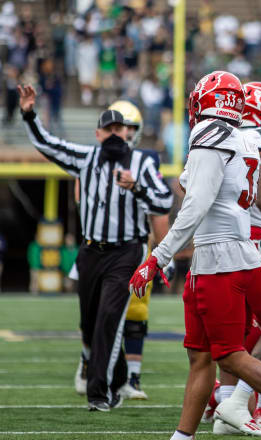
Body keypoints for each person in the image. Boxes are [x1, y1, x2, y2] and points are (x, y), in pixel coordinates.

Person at [128, 71, 261, 440]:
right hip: (230, 252)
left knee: (229, 354)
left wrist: (157, 256)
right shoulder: (243, 138)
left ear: (206, 101)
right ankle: (183, 436)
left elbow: (196, 204)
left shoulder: (210, 135)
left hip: (219, 256)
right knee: (201, 355)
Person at [19, 84, 173, 411]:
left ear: (129, 133)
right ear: (98, 133)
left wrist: (138, 186)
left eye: (121, 128)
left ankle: (99, 393)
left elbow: (164, 200)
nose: (116, 134)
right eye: (109, 128)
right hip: (91, 252)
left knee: (108, 319)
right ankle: (115, 378)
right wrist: (30, 114)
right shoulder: (85, 158)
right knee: (89, 323)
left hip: (126, 252)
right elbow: (48, 144)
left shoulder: (142, 162)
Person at [72, 100, 172, 401]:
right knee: (95, 313)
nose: (125, 132)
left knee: (137, 311)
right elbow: (82, 196)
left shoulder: (145, 159)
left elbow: (159, 211)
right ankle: (88, 363)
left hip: (134, 245)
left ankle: (131, 378)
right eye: (119, 126)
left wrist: (163, 253)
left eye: (130, 127)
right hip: (99, 243)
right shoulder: (94, 159)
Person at [212, 81, 261, 434]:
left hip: (217, 242)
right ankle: (238, 403)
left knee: (234, 334)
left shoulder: (217, 133)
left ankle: (224, 409)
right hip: (255, 242)